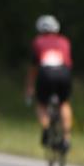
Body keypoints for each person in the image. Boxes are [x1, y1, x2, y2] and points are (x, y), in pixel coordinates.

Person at [25, 14, 73, 152]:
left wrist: (30, 87)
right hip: (64, 73)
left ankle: (46, 128)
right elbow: (69, 64)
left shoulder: (38, 42)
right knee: (64, 103)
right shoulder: (64, 41)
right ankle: (66, 138)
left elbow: (33, 68)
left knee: (41, 103)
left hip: (46, 73)